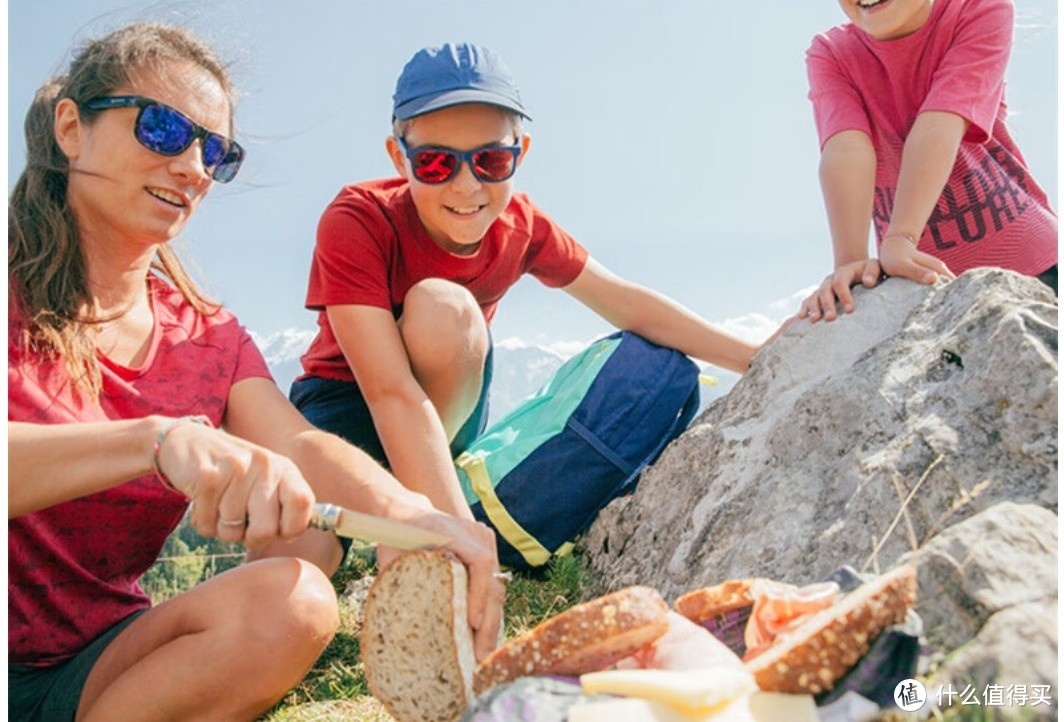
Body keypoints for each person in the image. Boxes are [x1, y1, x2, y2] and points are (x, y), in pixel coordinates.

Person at [8, 23, 504, 722]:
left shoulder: (207, 335)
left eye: (216, 151)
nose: (193, 168)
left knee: (294, 602)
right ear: (70, 128)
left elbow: (298, 443)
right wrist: (156, 440)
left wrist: (416, 519)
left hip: (99, 664)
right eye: (162, 129)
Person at [290, 42, 770, 529]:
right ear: (399, 158)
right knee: (307, 556)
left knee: (447, 310)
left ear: (520, 153)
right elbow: (387, 390)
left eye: (492, 162)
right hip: (342, 398)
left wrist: (755, 356)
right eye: (436, 163)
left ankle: (430, 491)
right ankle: (427, 504)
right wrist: (454, 531)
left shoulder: (520, 227)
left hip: (444, 407)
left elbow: (626, 304)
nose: (466, 186)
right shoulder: (358, 219)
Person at [799, 0, 1058, 323]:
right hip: (927, 291)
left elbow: (940, 121)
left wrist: (901, 236)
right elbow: (846, 149)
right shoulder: (831, 52)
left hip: (1039, 267)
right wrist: (851, 262)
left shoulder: (979, 9)